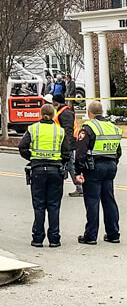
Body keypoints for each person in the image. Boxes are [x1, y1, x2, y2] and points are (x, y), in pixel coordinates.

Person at [18, 103, 70, 247]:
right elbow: (67, 152)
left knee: (39, 206)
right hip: (55, 170)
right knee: (54, 206)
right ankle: (54, 239)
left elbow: (22, 146)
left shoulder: (33, 129)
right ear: (54, 115)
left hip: (38, 170)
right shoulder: (60, 131)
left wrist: (33, 158)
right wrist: (59, 160)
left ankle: (37, 238)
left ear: (41, 114)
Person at [75, 100, 122, 245]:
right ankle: (113, 234)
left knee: (92, 201)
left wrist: (78, 171)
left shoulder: (88, 127)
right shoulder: (112, 127)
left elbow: (81, 152)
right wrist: (113, 163)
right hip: (110, 166)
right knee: (109, 200)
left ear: (89, 113)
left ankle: (91, 236)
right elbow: (118, 151)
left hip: (94, 167)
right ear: (102, 112)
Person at [52, 93, 82, 197]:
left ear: (56, 102)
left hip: (68, 143)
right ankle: (78, 187)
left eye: (53, 101)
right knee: (68, 166)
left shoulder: (65, 113)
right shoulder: (63, 111)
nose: (52, 103)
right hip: (66, 143)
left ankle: (80, 187)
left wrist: (66, 146)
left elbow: (68, 131)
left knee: (71, 165)